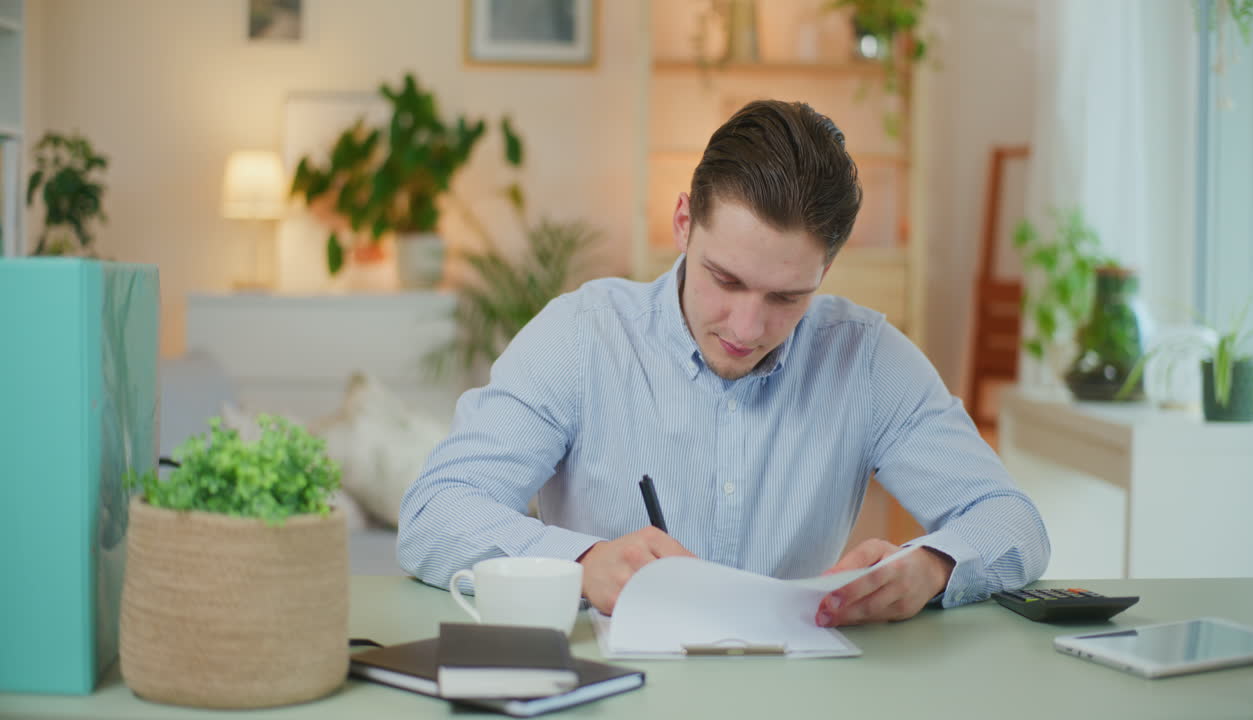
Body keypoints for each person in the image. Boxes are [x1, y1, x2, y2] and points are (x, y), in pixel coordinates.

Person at [398, 99, 1049, 626]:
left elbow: (1011, 519)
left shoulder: (866, 357)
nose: (747, 327)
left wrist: (934, 564)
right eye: (726, 279)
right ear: (684, 222)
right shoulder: (581, 337)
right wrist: (583, 561)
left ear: (826, 269)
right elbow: (434, 514)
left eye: (787, 296)